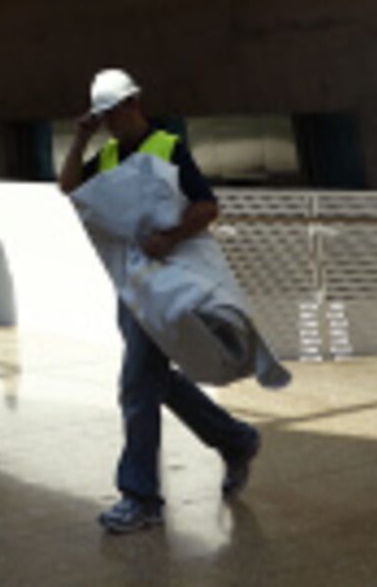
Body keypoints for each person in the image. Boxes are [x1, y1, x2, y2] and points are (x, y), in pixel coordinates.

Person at [59, 68, 259, 535]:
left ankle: (140, 496)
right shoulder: (106, 154)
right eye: (101, 116)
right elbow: (68, 185)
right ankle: (235, 439)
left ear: (134, 104)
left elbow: (207, 206)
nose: (108, 123)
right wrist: (80, 140)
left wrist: (171, 236)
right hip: (133, 287)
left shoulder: (168, 146)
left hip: (171, 285)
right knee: (155, 382)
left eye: (112, 113)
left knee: (136, 384)